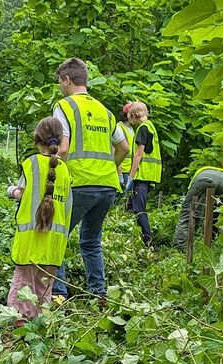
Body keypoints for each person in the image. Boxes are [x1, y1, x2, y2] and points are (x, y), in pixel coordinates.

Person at [51, 58, 130, 300]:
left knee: (57, 236)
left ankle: (58, 293)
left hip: (79, 183)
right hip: (107, 187)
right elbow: (124, 147)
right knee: (91, 241)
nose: (60, 87)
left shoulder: (64, 106)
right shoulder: (104, 111)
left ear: (67, 80)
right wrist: (109, 168)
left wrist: (51, 175)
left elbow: (63, 149)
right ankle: (98, 294)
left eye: (60, 82)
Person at [6, 117, 73, 320]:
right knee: (45, 284)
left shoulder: (31, 164)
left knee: (23, 282)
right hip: (54, 241)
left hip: (31, 237)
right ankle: (41, 322)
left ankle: (19, 322)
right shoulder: (64, 169)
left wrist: (11, 191)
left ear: (37, 138)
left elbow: (22, 194)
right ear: (60, 140)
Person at [174, 155, 223, 251]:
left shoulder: (199, 175)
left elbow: (194, 210)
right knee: (217, 216)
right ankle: (213, 245)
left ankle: (180, 249)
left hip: (204, 178)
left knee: (188, 214)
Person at [123, 101, 162, 246]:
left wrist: (131, 176)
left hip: (142, 175)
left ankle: (148, 241)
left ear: (133, 115)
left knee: (139, 209)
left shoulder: (142, 129)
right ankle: (135, 239)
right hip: (150, 175)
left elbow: (138, 155)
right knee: (131, 207)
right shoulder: (151, 127)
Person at [118, 103, 135, 191]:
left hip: (130, 171)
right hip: (122, 171)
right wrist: (119, 174)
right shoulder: (119, 128)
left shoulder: (131, 129)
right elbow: (115, 151)